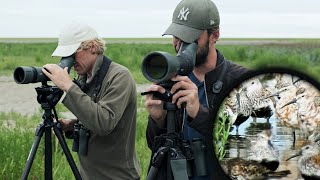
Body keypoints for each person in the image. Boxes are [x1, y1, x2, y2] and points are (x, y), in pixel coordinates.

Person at [144, 0, 251, 179]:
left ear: (214, 35)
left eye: (189, 37)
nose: (179, 44)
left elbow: (248, 145)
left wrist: (199, 114)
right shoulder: (170, 80)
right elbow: (155, 146)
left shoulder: (240, 81)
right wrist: (158, 120)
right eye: (176, 36)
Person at [42, 21, 140, 180]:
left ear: (93, 47)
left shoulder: (119, 76)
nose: (70, 60)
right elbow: (92, 115)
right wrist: (72, 125)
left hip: (116, 176)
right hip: (88, 175)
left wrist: (68, 86)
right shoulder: (85, 77)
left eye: (73, 53)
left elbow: (104, 122)